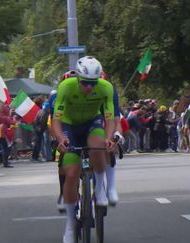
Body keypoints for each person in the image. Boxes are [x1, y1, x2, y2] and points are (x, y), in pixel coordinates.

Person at [52, 56, 115, 243]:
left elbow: (109, 117)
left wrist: (109, 138)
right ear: (78, 78)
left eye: (93, 83)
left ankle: (100, 188)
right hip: (69, 125)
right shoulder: (66, 87)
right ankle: (71, 224)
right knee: (71, 173)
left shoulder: (105, 88)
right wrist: (60, 138)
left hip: (91, 122)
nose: (89, 88)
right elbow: (56, 119)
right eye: (86, 83)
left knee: (98, 145)